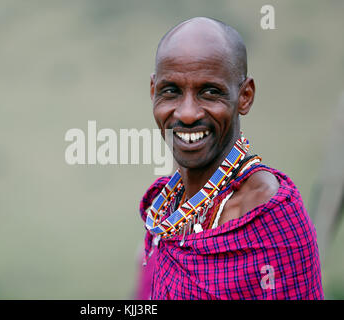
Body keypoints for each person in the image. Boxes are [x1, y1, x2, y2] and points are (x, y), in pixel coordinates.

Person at [137, 17, 324, 300]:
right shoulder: (166, 211)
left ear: (245, 96)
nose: (187, 114)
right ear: (153, 92)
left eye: (210, 92)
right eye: (171, 91)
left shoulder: (270, 216)